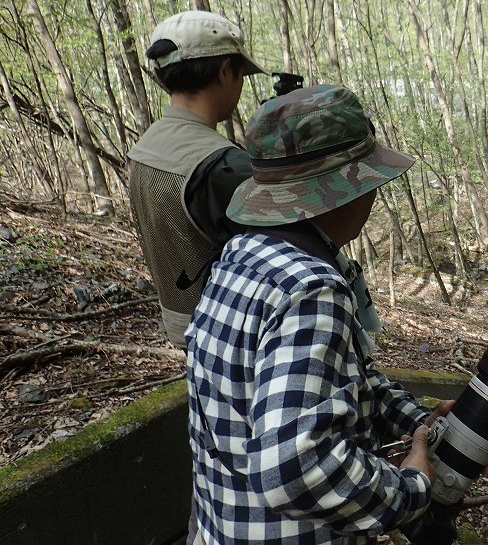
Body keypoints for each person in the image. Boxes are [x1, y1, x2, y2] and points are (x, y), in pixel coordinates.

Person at [186, 84, 448, 544]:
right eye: (369, 182)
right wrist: (410, 489)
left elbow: (333, 384)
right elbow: (293, 465)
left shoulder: (243, 254)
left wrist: (416, 421)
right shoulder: (312, 289)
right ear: (343, 190)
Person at [128, 10, 266, 348]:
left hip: (184, 326)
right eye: (240, 73)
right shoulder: (222, 165)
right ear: (224, 71)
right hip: (232, 337)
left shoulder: (145, 146)